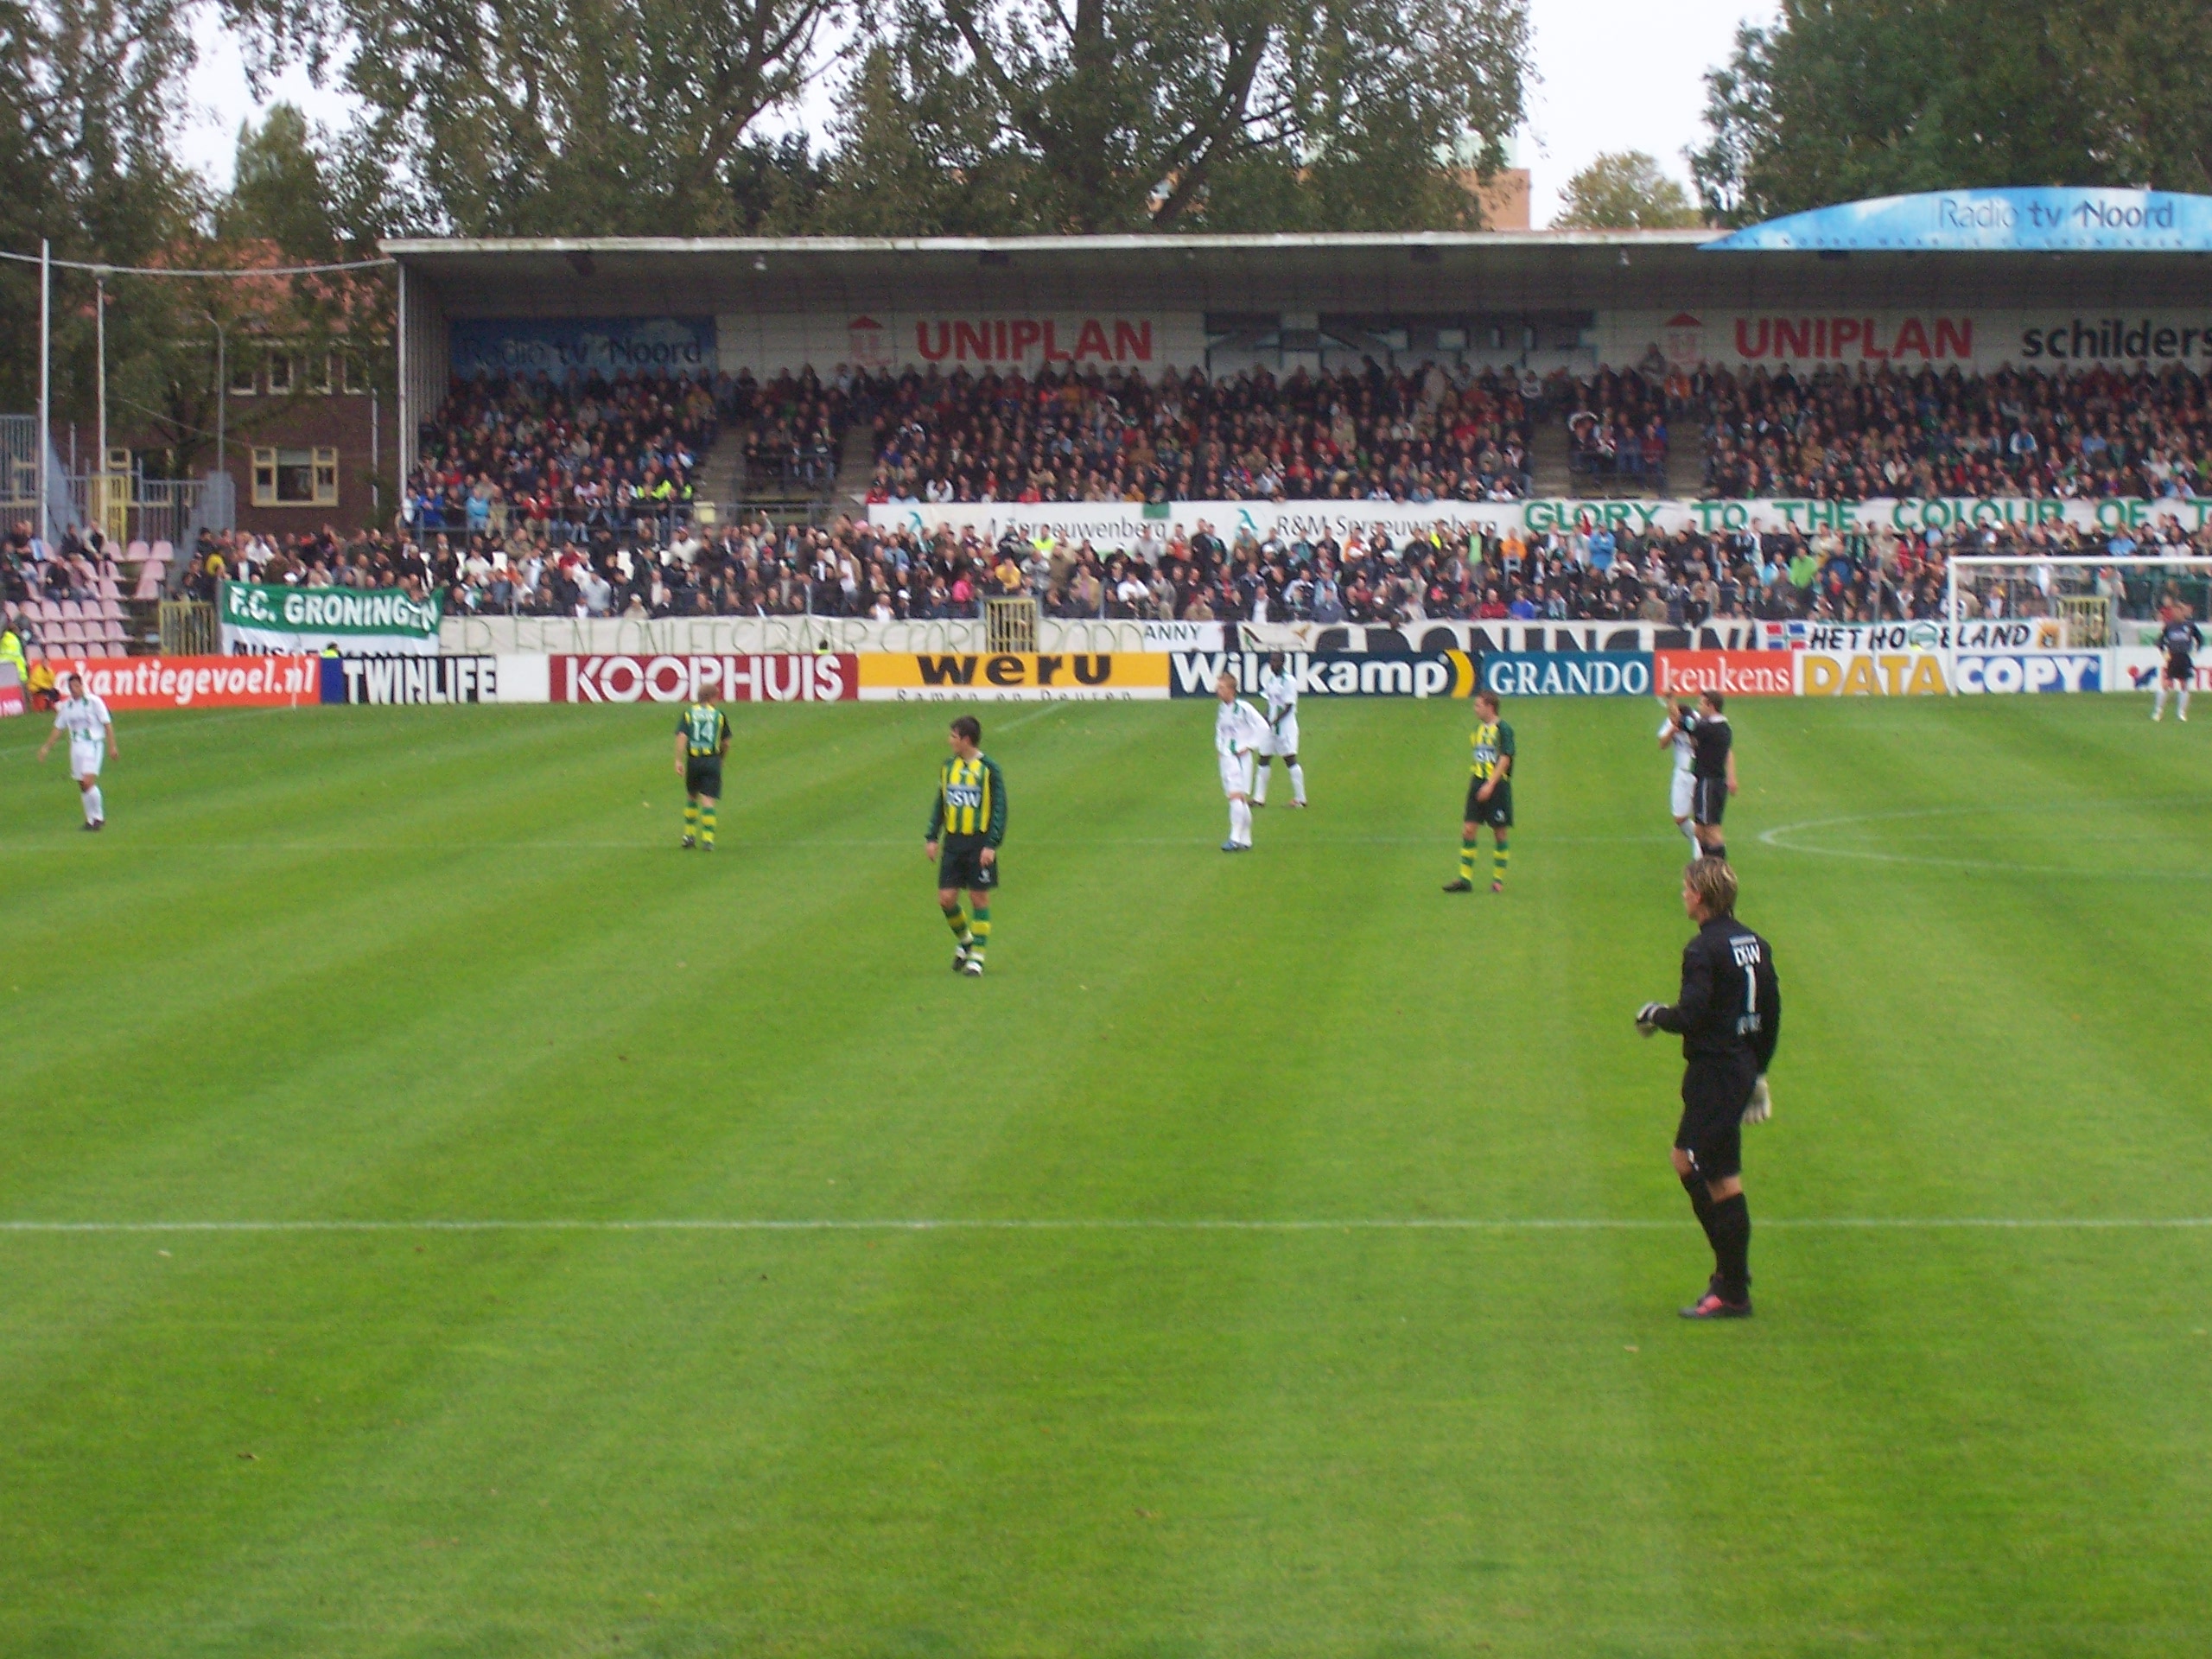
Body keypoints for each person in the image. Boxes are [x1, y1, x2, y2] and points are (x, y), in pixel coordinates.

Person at [1637, 858, 1781, 1319]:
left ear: (1700, 896)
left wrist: (1654, 1015)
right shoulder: (1754, 942)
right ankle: (1730, 1279)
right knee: (1721, 1175)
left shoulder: (1703, 950)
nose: (1682, 894)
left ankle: (1732, 1286)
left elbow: (1691, 1014)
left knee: (1700, 1168)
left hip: (1715, 1073)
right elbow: (1772, 1012)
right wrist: (1758, 1071)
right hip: (1738, 1068)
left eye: (1686, 889)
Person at [924, 715, 1007, 976]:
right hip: (953, 842)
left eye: (953, 737)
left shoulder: (989, 769)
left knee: (978, 897)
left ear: (966, 739)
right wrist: (932, 837)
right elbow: (941, 803)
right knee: (946, 899)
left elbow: (999, 809)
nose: (950, 741)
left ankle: (977, 960)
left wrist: (991, 844)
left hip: (978, 842)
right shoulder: (949, 767)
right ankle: (966, 940)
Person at [1445, 690, 1513, 893]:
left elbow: (1505, 758)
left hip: (1497, 786)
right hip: (1477, 782)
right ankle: (1465, 879)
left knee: (1499, 832)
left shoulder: (1504, 729)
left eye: (1478, 705)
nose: (1475, 709)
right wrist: (1480, 783)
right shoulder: (1478, 730)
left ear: (1489, 707)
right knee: (1468, 829)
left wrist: (1490, 784)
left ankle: (1497, 880)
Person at [35, 671, 117, 830]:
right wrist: (46, 748)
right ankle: (90, 819)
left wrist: (112, 746)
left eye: (76, 686)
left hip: (92, 745)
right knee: (82, 784)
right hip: (76, 746)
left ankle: (98, 817)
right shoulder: (68, 706)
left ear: (81, 686)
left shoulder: (94, 702)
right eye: (70, 687)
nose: (73, 690)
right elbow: (58, 728)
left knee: (88, 782)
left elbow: (107, 723)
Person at [1213, 671, 1268, 852]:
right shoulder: (1223, 708)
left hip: (1240, 759)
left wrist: (1250, 745)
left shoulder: (1243, 707)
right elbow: (1220, 731)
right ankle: (1246, 839)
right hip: (1227, 758)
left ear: (1231, 690)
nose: (1217, 690)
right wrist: (1220, 748)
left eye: (1221, 687)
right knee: (1240, 799)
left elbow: (1263, 727)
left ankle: (1234, 837)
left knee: (1235, 797)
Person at [673, 694, 731, 849]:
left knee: (692, 796)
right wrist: (722, 759)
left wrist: (678, 759)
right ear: (711, 698)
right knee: (708, 800)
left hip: (694, 760)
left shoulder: (689, 713)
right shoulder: (719, 715)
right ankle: (708, 840)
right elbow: (726, 741)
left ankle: (689, 836)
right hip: (712, 759)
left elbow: (682, 735)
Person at [1251, 651, 1307, 809]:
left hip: (1286, 728)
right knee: (1263, 758)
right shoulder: (1271, 681)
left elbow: (1289, 707)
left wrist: (1274, 720)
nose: (1272, 664)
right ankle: (1259, 799)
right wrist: (1264, 717)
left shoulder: (1289, 681)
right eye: (1271, 661)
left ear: (1283, 662)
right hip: (1271, 729)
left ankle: (1301, 799)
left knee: (1290, 759)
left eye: (1275, 661)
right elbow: (1272, 704)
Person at [1684, 690, 1737, 861]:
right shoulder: (1721, 727)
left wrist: (1671, 701)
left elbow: (1683, 723)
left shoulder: (1711, 728)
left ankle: (1720, 873)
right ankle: (1708, 869)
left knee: (1712, 831)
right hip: (1708, 782)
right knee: (1699, 830)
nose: (1698, 707)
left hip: (1710, 783)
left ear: (1711, 706)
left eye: (1701, 703)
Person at [1656, 696, 1700, 854]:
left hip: (1698, 774)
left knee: (1700, 816)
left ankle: (1700, 850)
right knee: (1679, 818)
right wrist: (1672, 730)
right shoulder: (1673, 722)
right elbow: (1662, 744)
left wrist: (1688, 732)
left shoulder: (1697, 721)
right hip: (1681, 773)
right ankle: (1697, 838)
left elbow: (1699, 746)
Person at [2152, 597, 2202, 722]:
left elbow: (2200, 638)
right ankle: (2158, 712)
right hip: (2173, 657)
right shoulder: (2169, 626)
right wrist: (2164, 652)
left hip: (2185, 657)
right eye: (2173, 611)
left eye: (2177, 611)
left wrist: (2196, 650)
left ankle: (2181, 713)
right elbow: (2159, 641)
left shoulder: (2190, 625)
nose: (2175, 613)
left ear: (2182, 612)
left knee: (2184, 684)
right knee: (2166, 684)